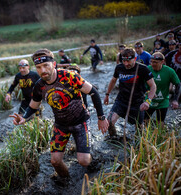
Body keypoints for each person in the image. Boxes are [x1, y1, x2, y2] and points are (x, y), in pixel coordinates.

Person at [10, 48, 109, 178]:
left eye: (46, 65)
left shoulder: (69, 76)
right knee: (55, 161)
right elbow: (33, 106)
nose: (43, 70)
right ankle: (65, 181)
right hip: (61, 125)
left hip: (80, 122)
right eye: (39, 67)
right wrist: (24, 117)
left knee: (83, 161)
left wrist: (101, 117)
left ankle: (92, 162)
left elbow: (93, 92)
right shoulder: (39, 86)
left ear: (54, 64)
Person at [104, 48, 156, 137]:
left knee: (139, 129)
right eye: (124, 61)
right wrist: (107, 94)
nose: (126, 64)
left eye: (128, 61)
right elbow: (113, 80)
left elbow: (153, 86)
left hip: (137, 102)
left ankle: (137, 146)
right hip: (121, 100)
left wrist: (148, 101)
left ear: (135, 59)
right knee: (109, 122)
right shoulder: (119, 67)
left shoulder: (142, 69)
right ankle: (114, 140)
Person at [144, 52, 180, 128]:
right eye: (152, 62)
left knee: (160, 123)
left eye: (155, 62)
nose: (153, 64)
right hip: (149, 100)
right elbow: (140, 85)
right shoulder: (147, 69)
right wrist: (148, 92)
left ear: (162, 62)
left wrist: (175, 99)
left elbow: (178, 84)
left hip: (163, 101)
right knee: (145, 121)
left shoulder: (169, 71)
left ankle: (159, 137)